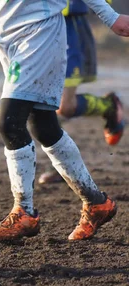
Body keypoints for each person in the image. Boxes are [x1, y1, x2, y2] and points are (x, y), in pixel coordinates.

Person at [0, 0, 129, 241]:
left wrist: (109, 16)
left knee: (9, 122)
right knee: (44, 126)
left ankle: (24, 211)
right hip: (7, 40)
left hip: (40, 34)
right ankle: (96, 203)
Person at [39, 0, 125, 184]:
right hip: (35, 28)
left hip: (69, 27)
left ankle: (108, 106)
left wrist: (108, 15)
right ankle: (61, 165)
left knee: (64, 106)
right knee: (38, 102)